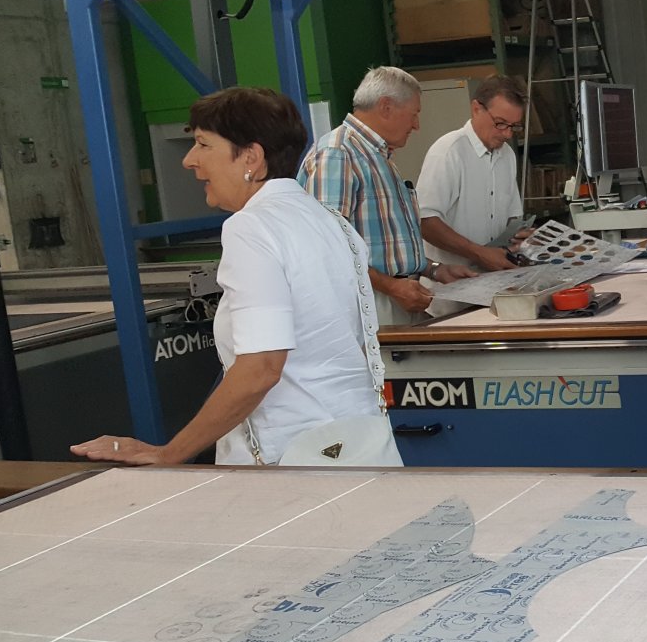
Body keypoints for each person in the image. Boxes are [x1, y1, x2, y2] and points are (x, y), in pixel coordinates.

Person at [72, 87, 395, 466]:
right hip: (359, 445)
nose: (189, 160)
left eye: (203, 144)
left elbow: (260, 369)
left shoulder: (252, 227)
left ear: (251, 157)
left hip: (294, 462)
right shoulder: (333, 222)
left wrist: (168, 454)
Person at [299, 66, 475, 325]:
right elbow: (327, 249)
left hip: (394, 296)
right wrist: (392, 287)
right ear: (386, 107)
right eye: (414, 114)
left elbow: (385, 247)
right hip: (370, 304)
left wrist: (435, 270)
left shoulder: (378, 156)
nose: (416, 125)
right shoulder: (337, 154)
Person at [416, 75, 527, 316]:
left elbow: (512, 219)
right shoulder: (448, 152)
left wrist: (522, 236)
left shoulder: (507, 156)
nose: (507, 134)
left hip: (491, 293)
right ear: (476, 108)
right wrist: (479, 253)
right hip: (447, 300)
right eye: (500, 123)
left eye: (514, 126)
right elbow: (425, 221)